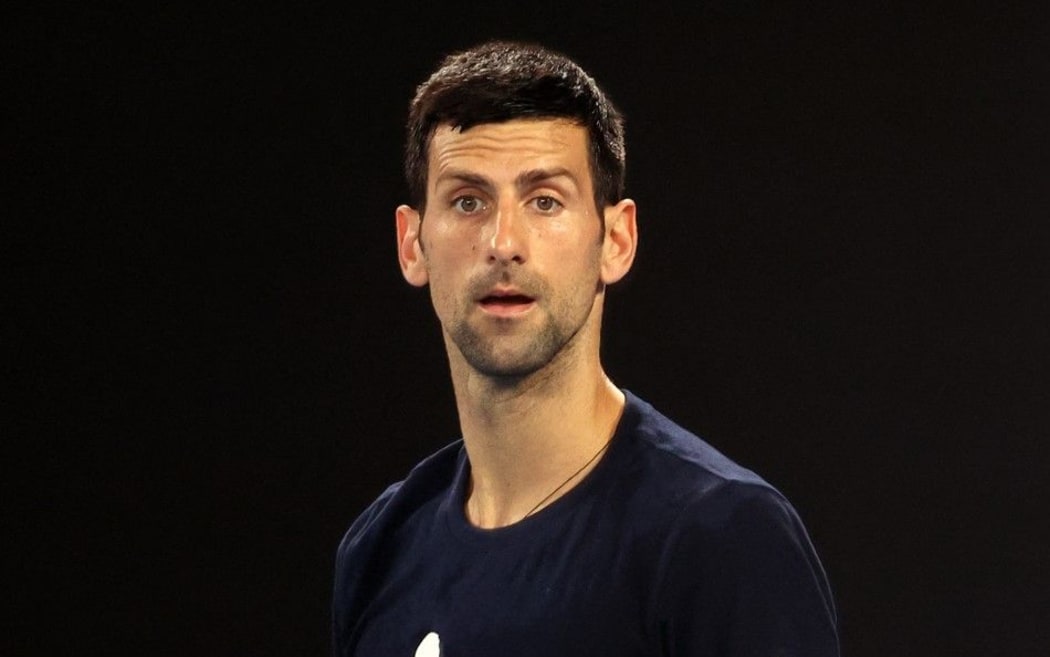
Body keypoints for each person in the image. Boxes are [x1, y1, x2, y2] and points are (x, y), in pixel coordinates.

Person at [331, 39, 840, 657]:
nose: (503, 242)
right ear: (412, 244)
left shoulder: (720, 539)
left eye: (545, 201)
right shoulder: (381, 549)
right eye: (469, 201)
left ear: (616, 240)